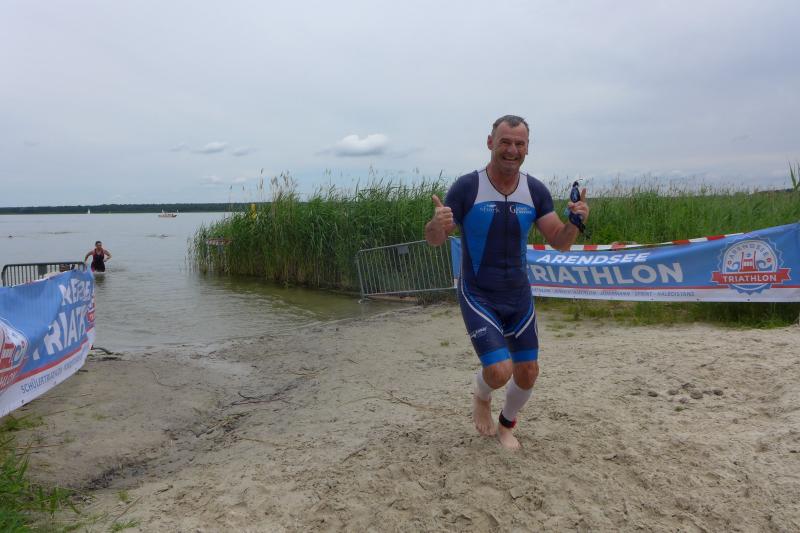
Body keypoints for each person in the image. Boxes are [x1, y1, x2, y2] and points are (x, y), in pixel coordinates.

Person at [425, 115, 589, 450]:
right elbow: (435, 240)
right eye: (505, 142)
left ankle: (506, 425)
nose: (512, 150)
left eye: (519, 144)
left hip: (518, 295)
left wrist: (575, 221)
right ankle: (481, 395)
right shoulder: (467, 187)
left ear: (527, 148)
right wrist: (437, 223)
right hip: (478, 294)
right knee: (500, 371)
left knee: (528, 372)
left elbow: (560, 241)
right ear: (490, 143)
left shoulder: (535, 190)